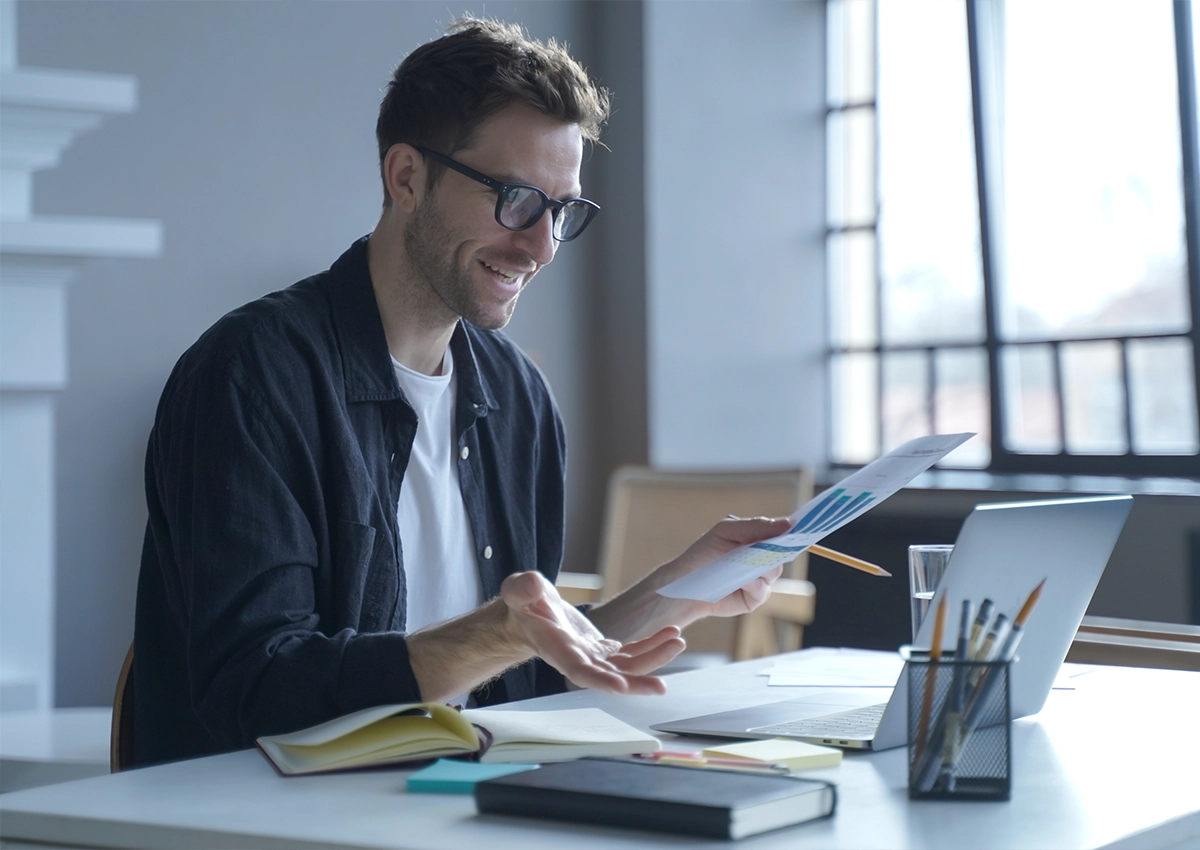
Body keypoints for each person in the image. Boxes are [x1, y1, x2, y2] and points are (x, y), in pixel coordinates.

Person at [132, 16, 791, 767]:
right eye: (514, 198)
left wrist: (682, 586)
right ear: (407, 177)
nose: (541, 245)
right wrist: (497, 632)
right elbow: (255, 689)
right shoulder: (252, 375)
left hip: (460, 799)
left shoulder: (519, 397)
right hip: (278, 817)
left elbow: (520, 676)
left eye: (561, 209)